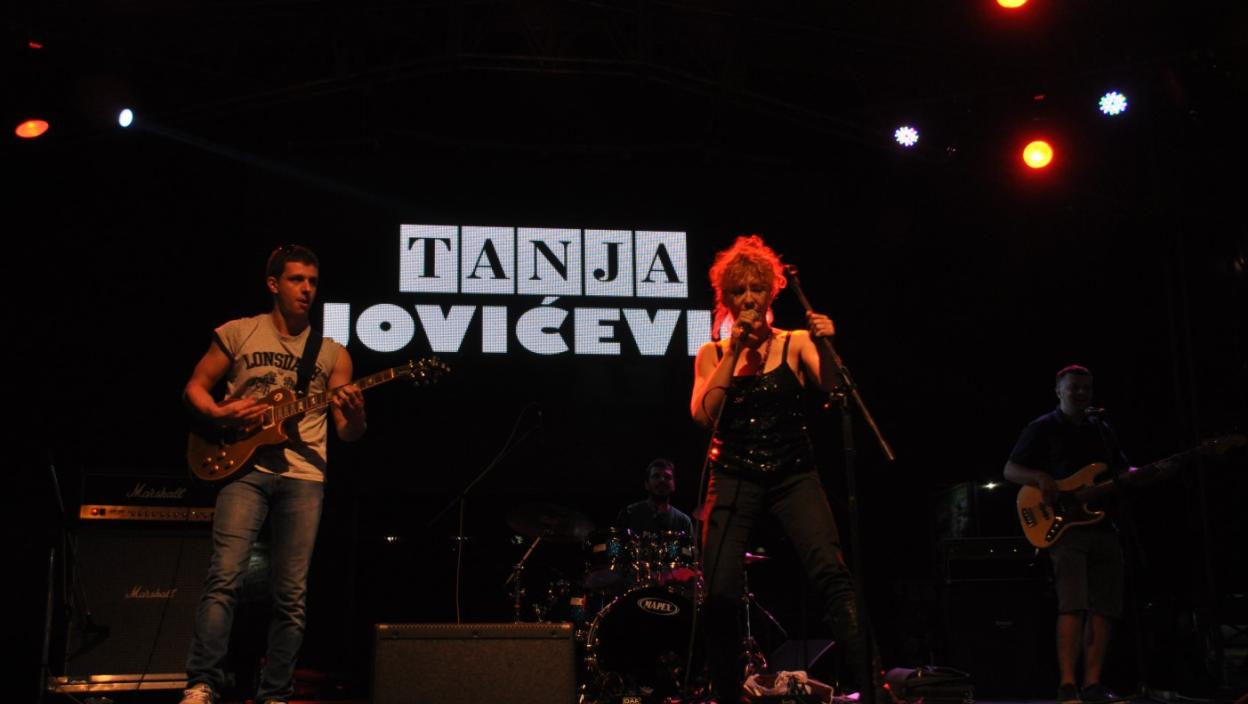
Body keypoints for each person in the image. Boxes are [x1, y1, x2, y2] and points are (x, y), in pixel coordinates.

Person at [690, 235, 883, 704]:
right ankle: (726, 693)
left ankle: (873, 689)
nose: (748, 298)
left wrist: (828, 343)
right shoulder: (713, 353)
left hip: (793, 473)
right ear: (726, 299)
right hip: (733, 474)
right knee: (719, 591)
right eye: (739, 291)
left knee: (832, 575)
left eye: (756, 288)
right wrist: (735, 350)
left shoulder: (794, 342)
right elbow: (704, 414)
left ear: (771, 292)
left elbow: (832, 386)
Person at [180, 245, 367, 704]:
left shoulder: (332, 353)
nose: (307, 289)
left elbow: (348, 434)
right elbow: (195, 388)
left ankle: (275, 694)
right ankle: (203, 682)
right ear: (273, 284)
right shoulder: (239, 332)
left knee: (291, 594)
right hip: (242, 468)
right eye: (297, 279)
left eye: (313, 282)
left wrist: (356, 414)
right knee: (224, 577)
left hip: (305, 476)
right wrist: (219, 414)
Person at [1004, 365, 1126, 704]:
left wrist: (1151, 472)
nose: (1082, 393)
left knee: (1105, 607)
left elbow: (1119, 471)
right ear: (1059, 391)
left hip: (1103, 526)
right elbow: (1010, 469)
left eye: (1087, 387)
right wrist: (1041, 478)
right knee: (1072, 604)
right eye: (1075, 387)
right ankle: (1067, 684)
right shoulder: (1042, 427)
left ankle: (1093, 684)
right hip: (1065, 529)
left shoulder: (1101, 429)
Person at [615, 458, 694, 536]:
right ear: (646, 484)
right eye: (656, 476)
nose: (662, 480)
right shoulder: (629, 514)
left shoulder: (683, 522)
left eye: (667, 477)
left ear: (674, 485)